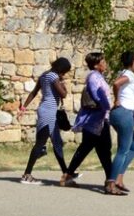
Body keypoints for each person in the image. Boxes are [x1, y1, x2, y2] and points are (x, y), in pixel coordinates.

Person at [62, 51, 116, 192]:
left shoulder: (98, 77)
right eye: (103, 62)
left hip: (100, 118)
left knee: (96, 149)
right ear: (97, 65)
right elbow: (97, 95)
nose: (105, 64)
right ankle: (110, 181)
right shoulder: (94, 78)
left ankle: (108, 179)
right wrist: (108, 107)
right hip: (96, 120)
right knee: (99, 149)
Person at [17, 56, 71, 184]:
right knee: (40, 143)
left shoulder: (44, 75)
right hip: (48, 112)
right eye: (65, 71)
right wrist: (63, 84)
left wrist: (23, 108)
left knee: (57, 143)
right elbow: (63, 94)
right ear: (61, 69)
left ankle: (66, 174)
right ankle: (26, 175)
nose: (64, 74)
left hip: (46, 111)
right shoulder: (53, 77)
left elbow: (34, 92)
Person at [105, 52, 134, 196]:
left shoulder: (125, 74)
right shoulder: (129, 74)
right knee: (123, 150)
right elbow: (116, 84)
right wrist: (116, 100)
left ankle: (118, 179)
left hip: (120, 114)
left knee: (133, 146)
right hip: (124, 113)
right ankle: (111, 183)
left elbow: (126, 90)